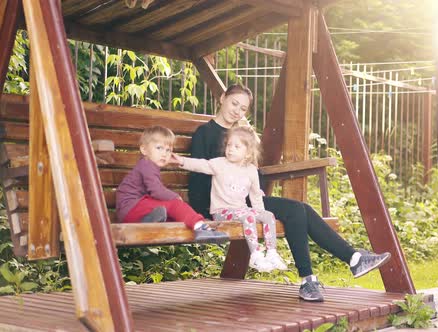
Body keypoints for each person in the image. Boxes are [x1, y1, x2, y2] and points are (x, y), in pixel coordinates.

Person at [188, 84, 391, 302]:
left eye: (243, 108)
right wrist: (209, 209)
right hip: (224, 204)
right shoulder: (205, 133)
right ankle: (325, 272)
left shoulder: (242, 136)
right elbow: (198, 179)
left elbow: (254, 176)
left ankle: (338, 266)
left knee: (300, 209)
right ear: (222, 98)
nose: (237, 111)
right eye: (234, 103)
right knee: (296, 210)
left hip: (248, 201)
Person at [170, 126, 288, 272]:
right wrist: (181, 160)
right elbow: (201, 164)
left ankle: (271, 253)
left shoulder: (251, 170)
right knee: (249, 217)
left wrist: (260, 215)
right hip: (222, 211)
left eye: (236, 146)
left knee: (268, 216)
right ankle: (256, 255)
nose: (230, 149)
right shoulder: (219, 164)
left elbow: (256, 196)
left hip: (241, 211)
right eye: (229, 145)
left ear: (248, 153)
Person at [115, 125, 228, 243]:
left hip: (131, 212)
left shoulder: (147, 165)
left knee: (169, 214)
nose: (164, 154)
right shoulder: (147, 165)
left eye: (168, 150)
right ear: (144, 149)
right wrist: (175, 197)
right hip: (131, 207)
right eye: (159, 148)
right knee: (174, 205)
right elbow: (156, 191)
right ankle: (201, 227)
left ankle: (148, 219)